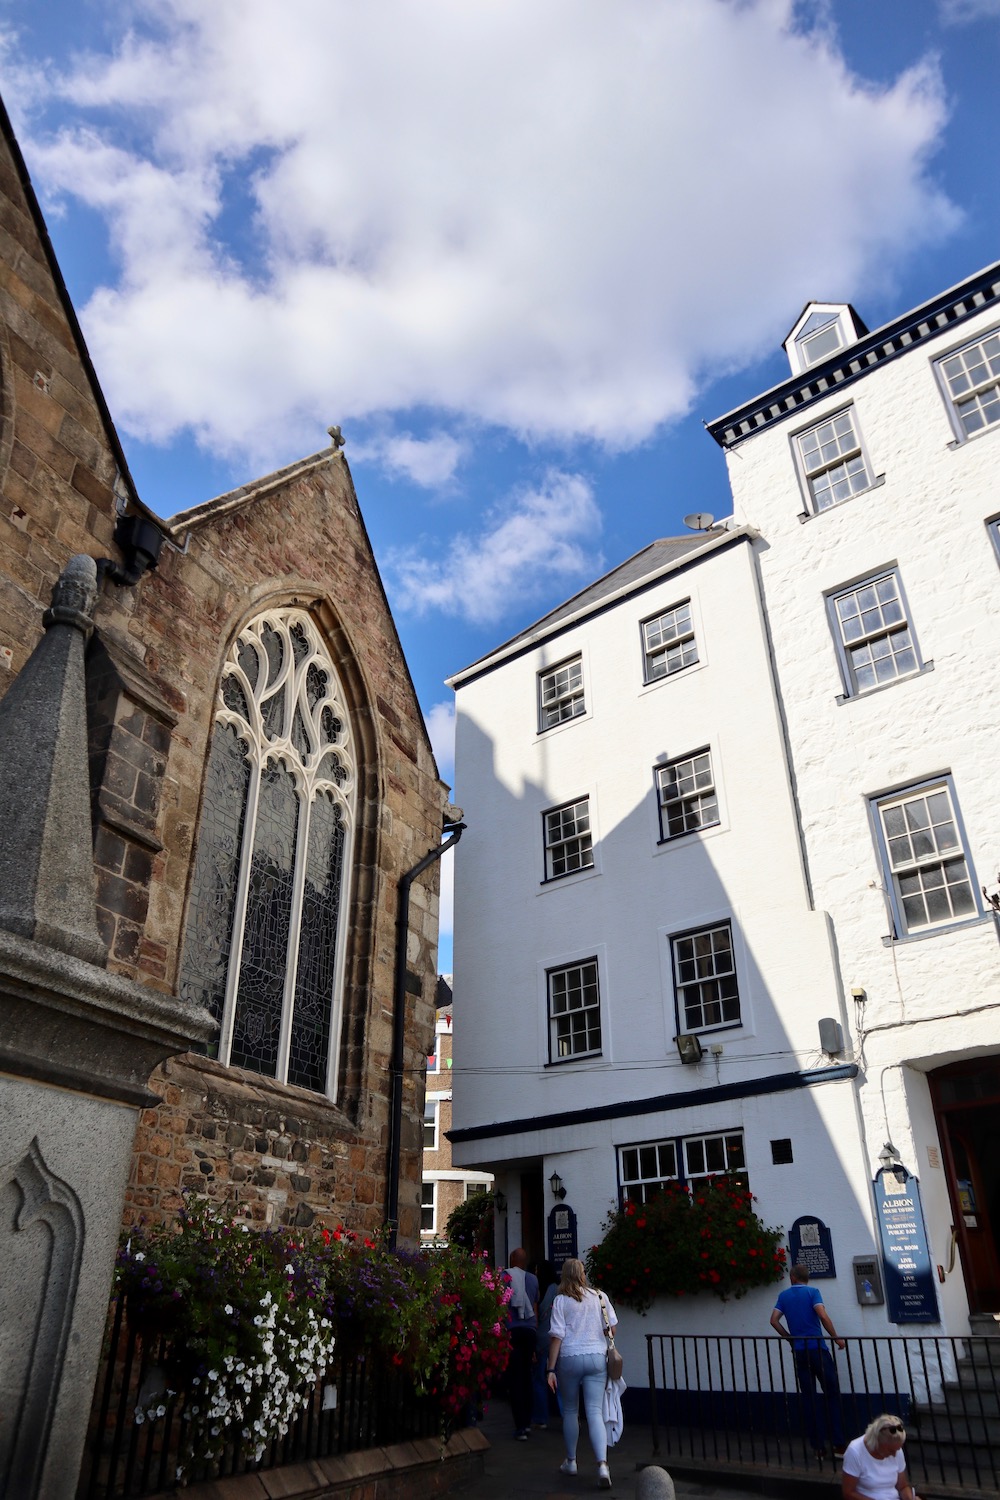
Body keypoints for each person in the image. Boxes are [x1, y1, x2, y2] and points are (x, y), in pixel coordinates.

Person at [546, 1257, 617, 1490]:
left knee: (570, 1410)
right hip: (596, 1357)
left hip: (569, 1359)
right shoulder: (599, 1296)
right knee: (595, 1411)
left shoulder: (560, 1301)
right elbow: (612, 1328)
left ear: (564, 1275)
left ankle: (572, 1461)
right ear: (583, 1273)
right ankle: (602, 1465)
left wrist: (551, 1368)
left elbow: (557, 1336)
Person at [770, 1261, 846, 1458]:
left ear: (792, 1277)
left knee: (810, 1399)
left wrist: (790, 1339)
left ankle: (818, 1448)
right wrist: (836, 1337)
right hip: (818, 1349)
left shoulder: (783, 1296)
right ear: (806, 1278)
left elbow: (774, 1321)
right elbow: (822, 1315)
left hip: (800, 1351)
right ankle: (838, 1445)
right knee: (832, 1394)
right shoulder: (813, 1292)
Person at [842, 1414, 920, 1500]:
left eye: (897, 1449)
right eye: (891, 1450)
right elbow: (848, 1493)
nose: (894, 1454)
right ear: (878, 1443)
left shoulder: (896, 1450)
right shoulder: (855, 1451)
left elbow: (902, 1486)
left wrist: (909, 1497)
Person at [505, 1247, 539, 1440]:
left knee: (515, 1380)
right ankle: (527, 1422)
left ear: (512, 1259)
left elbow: (500, 1305)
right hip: (529, 1332)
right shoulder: (533, 1280)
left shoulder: (504, 1277)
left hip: (513, 1331)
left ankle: (520, 1426)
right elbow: (534, 1307)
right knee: (527, 1378)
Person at [531, 1259, 560, 1426]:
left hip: (541, 1339)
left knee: (539, 1379)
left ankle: (541, 1418)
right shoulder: (559, 1290)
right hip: (557, 1339)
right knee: (562, 1380)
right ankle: (568, 1414)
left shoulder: (538, 1290)